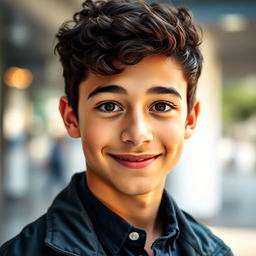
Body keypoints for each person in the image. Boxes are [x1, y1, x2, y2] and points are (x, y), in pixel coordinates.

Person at [0, 0, 233, 255]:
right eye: (110, 106)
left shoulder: (215, 252)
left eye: (162, 106)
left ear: (190, 119)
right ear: (71, 118)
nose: (137, 134)